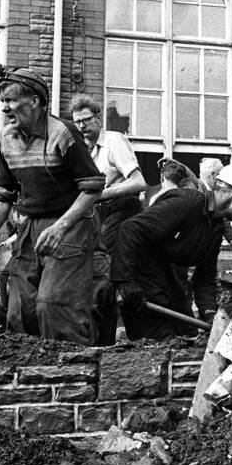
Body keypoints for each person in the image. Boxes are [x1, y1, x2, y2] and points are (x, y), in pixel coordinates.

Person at [0, 66, 103, 344]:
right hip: (31, 226)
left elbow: (93, 188)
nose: (5, 109)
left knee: (54, 306)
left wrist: (61, 228)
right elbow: (3, 194)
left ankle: (73, 372)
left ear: (35, 102)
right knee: (20, 310)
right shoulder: (6, 138)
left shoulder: (63, 133)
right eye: (3, 102)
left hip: (71, 225)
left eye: (11, 100)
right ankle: (30, 377)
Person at [113, 162, 232, 339]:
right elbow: (130, 229)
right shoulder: (188, 203)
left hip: (170, 281)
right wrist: (125, 282)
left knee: (188, 334)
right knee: (161, 340)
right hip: (141, 281)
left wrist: (209, 313)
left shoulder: (216, 228)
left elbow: (205, 277)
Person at [69, 94, 146, 345]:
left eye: (87, 120)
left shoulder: (114, 141)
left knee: (103, 271)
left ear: (98, 118)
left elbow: (138, 182)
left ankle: (107, 340)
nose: (82, 126)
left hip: (123, 209)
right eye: (77, 121)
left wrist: (100, 195)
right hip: (98, 213)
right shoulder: (82, 150)